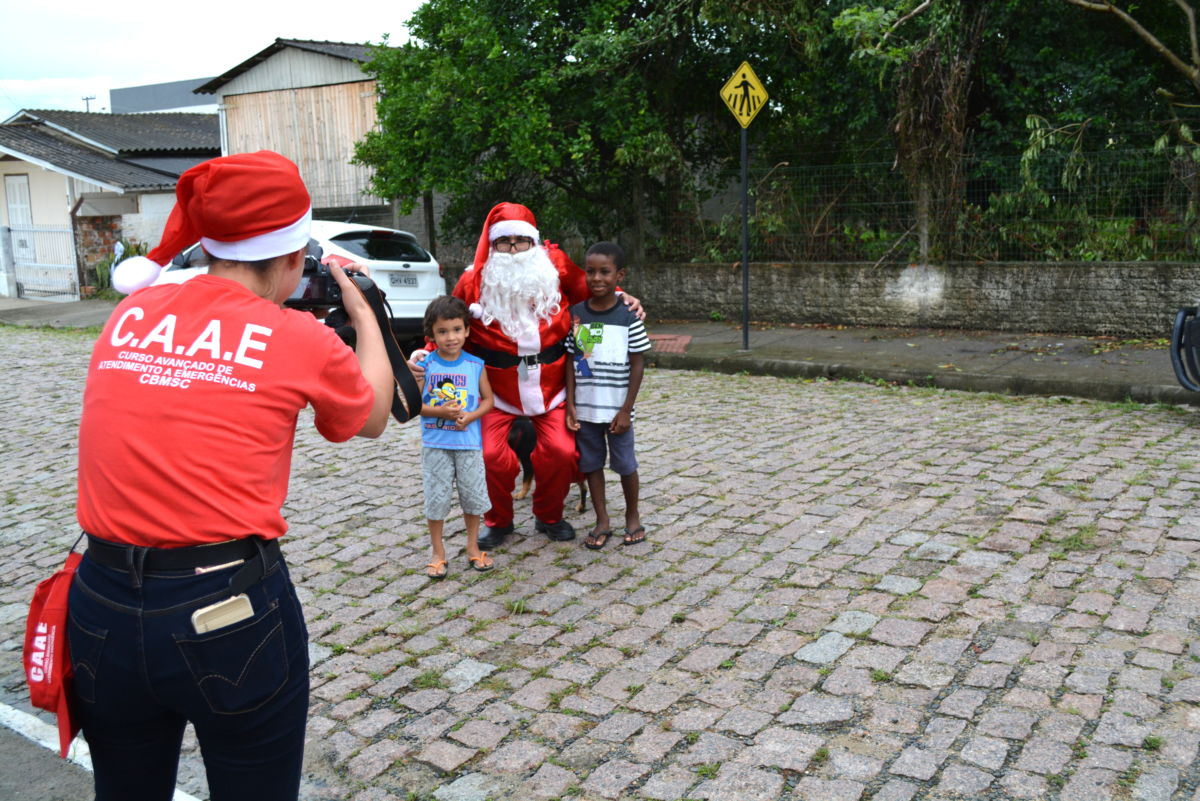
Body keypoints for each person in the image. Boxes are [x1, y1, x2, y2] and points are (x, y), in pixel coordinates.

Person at [70, 151, 393, 801]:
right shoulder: (298, 337)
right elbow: (375, 414)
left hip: (100, 602)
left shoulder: (130, 314)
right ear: (288, 258)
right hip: (226, 611)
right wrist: (363, 312)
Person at [410, 203, 641, 548]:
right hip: (496, 391)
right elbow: (448, 322)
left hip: (553, 389)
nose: (514, 249)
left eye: (522, 241)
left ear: (534, 242)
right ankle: (498, 521)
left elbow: (590, 289)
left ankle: (549, 516)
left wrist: (625, 299)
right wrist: (426, 353)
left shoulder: (554, 265)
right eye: (505, 242)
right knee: (488, 454)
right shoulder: (474, 278)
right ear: (493, 244)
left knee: (562, 452)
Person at [565, 242, 651, 548]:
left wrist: (627, 409)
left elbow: (638, 362)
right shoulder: (576, 316)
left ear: (620, 275)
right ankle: (602, 520)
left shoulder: (628, 316)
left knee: (626, 464)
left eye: (605, 272)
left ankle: (633, 517)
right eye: (590, 272)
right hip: (586, 411)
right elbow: (574, 361)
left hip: (617, 411)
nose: (596, 278)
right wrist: (571, 404)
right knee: (591, 465)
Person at [419, 295, 495, 577]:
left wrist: (470, 416)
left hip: (468, 445)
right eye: (442, 331)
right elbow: (415, 406)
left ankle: (473, 547)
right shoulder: (426, 366)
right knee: (436, 499)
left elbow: (488, 400)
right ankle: (438, 551)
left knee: (473, 497)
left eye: (456, 330)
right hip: (435, 445)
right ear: (432, 335)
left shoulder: (475, 365)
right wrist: (440, 411)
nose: (450, 337)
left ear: (467, 330)